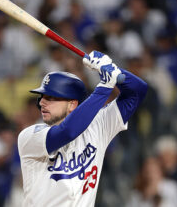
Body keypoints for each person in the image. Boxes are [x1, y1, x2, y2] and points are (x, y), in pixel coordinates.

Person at [18, 50, 147, 206]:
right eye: (42, 97)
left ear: (72, 104)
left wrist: (113, 69)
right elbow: (67, 131)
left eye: (51, 97)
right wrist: (104, 86)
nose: (42, 102)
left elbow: (138, 91)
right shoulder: (30, 136)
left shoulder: (98, 125)